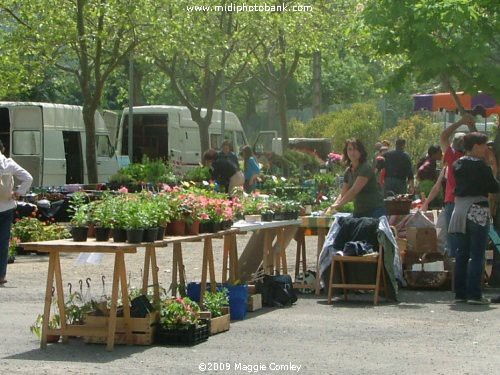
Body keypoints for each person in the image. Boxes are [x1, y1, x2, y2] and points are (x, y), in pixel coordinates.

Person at [448, 132, 499, 305]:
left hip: (460, 210)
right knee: (477, 254)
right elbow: (493, 186)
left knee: (461, 253)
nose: (486, 149)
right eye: (484, 145)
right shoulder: (482, 166)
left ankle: (460, 294)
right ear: (476, 146)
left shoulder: (457, 164)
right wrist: (493, 168)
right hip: (478, 209)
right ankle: (474, 294)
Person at [440, 113, 476, 256]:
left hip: (452, 202)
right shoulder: (474, 158)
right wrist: (471, 125)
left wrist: (461, 121)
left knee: (453, 243)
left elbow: (443, 136)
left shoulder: (451, 157)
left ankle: (454, 274)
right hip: (470, 203)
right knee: (468, 241)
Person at [325, 138, 385, 218]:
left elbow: (354, 190)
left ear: (361, 151)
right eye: (349, 149)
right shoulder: (348, 171)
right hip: (359, 211)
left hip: (374, 210)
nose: (352, 152)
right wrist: (332, 206)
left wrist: (338, 205)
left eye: (356, 149)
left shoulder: (365, 168)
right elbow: (343, 193)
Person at [0, 139, 33, 285]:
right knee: (3, 241)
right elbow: (28, 178)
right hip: (6, 206)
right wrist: (19, 192)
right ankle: (1, 276)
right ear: (3, 148)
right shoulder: (9, 163)